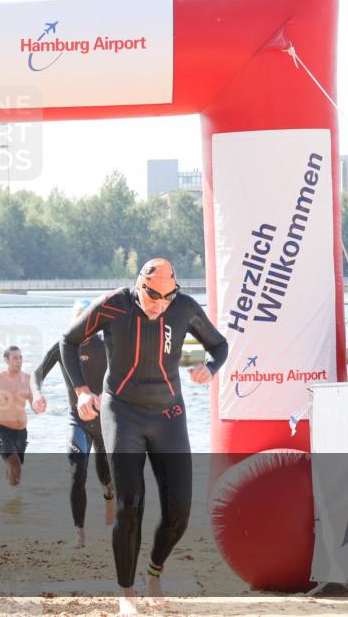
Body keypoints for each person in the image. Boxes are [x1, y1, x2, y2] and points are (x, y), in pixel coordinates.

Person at [60, 259, 228, 616]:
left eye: (168, 298)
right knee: (130, 504)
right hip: (122, 412)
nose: (161, 305)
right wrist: (82, 391)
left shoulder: (184, 307)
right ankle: (126, 594)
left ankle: (155, 569)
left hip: (169, 415)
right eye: (154, 298)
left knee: (180, 510)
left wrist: (211, 369)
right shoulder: (113, 304)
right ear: (140, 287)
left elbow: (220, 346)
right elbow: (68, 340)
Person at [33, 299, 115, 548]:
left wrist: (108, 394)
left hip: (103, 420)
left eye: (87, 319)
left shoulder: (105, 345)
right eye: (78, 319)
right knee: (77, 471)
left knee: (106, 476)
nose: (83, 325)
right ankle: (79, 533)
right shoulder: (63, 345)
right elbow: (37, 374)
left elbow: (125, 374)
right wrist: (37, 394)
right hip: (76, 419)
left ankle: (109, 497)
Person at [0, 346, 47, 487]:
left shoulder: (28, 380)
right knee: (16, 466)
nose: (19, 360)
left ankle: (6, 495)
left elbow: (34, 404)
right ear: (6, 360)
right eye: (15, 357)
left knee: (15, 466)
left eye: (20, 357)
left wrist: (39, 406)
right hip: (1, 430)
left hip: (21, 432)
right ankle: (15, 501)